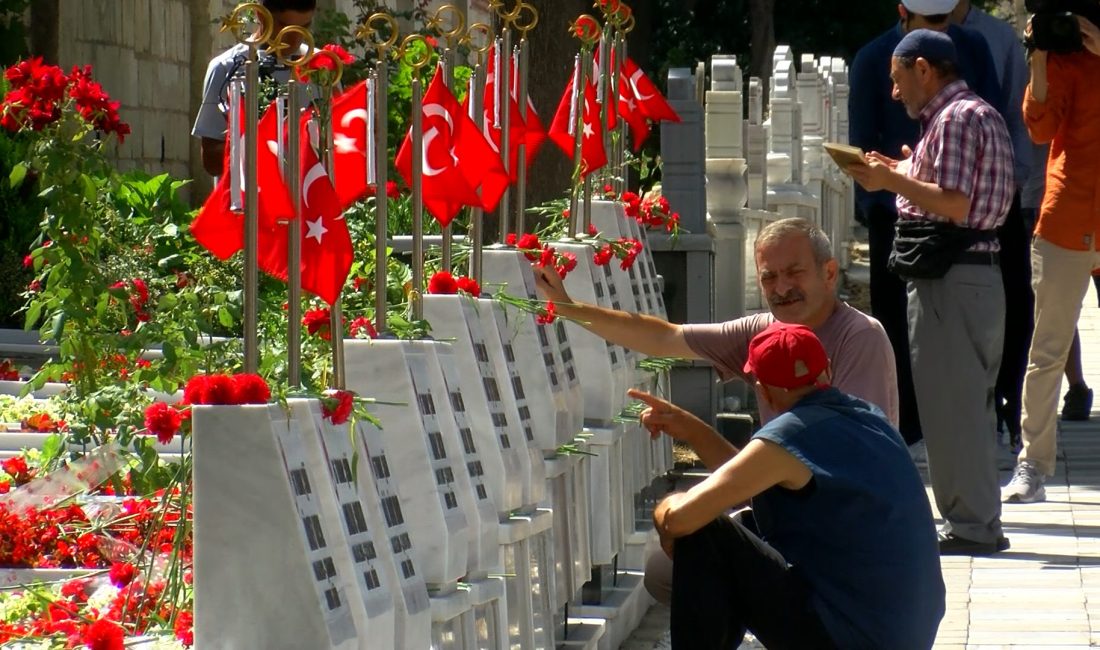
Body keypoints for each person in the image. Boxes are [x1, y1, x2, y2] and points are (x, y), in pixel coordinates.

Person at [640, 322, 945, 649]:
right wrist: (691, 430)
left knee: (703, 531)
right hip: (902, 633)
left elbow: (681, 519)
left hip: (850, 638)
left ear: (762, 388)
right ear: (827, 370)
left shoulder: (789, 435)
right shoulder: (869, 418)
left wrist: (668, 509)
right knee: (744, 525)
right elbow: (750, 479)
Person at [847, 29, 1015, 554]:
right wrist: (902, 170)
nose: (894, 93)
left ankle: (972, 528)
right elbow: (949, 192)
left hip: (954, 276)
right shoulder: (963, 115)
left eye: (898, 79)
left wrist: (890, 183)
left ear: (924, 68)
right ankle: (974, 521)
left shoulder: (958, 117)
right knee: (964, 405)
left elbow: (956, 204)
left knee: (953, 405)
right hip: (969, 276)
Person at [1002, 11, 1100, 503]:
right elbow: (1040, 129)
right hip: (1067, 213)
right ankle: (1032, 466)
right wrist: (1038, 58)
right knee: (1048, 350)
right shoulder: (1064, 60)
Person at [950, 0, 1037, 450]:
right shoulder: (909, 35)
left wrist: (1018, 181)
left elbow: (1019, 115)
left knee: (1016, 298)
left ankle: (1012, 400)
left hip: (1001, 193)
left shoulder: (998, 38)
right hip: (941, 200)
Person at [192, 0, 317, 177]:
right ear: (261, 15)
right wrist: (261, 144)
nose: (294, 38)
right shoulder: (227, 67)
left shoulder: (321, 66)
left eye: (305, 26)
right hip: (247, 197)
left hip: (306, 198)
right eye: (285, 25)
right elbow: (211, 161)